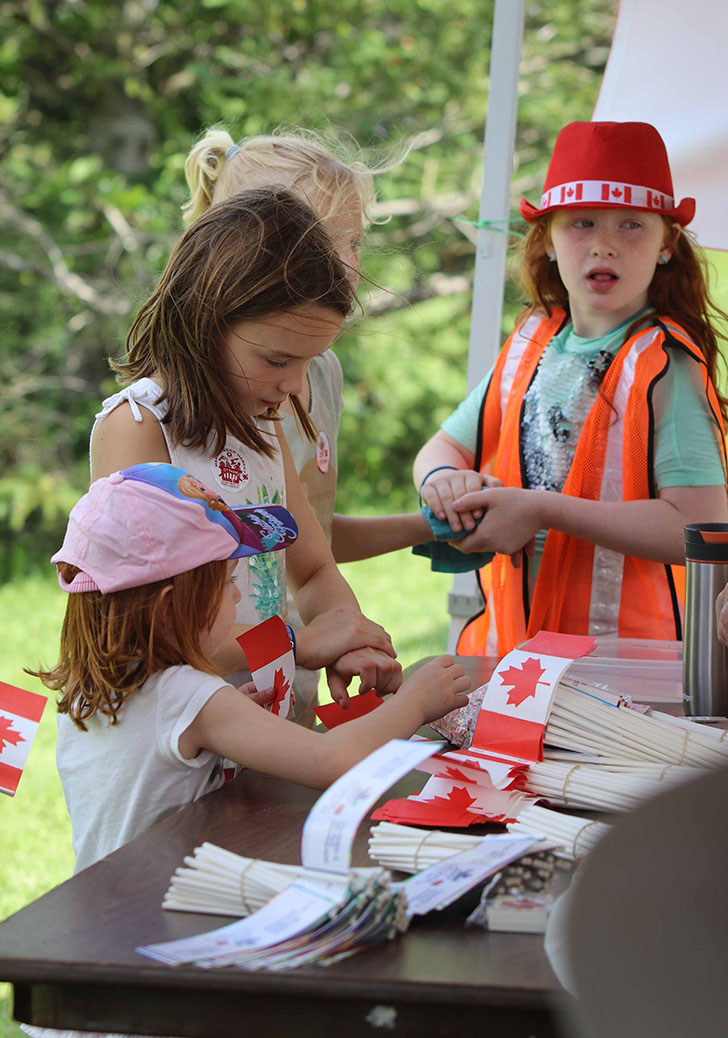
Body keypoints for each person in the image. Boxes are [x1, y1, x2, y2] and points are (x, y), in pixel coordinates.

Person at [29, 462, 471, 875]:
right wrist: (416, 701)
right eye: (226, 584)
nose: (238, 598)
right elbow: (332, 760)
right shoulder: (186, 695)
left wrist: (223, 722)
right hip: (160, 904)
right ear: (169, 611)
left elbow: (149, 764)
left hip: (103, 899)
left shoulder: (88, 691)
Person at [414, 121, 728, 657]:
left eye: (631, 225)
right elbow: (443, 447)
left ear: (666, 245)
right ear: (549, 240)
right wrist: (442, 480)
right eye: (582, 223)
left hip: (625, 679)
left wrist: (543, 510)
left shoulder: (664, 364)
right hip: (513, 660)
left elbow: (700, 528)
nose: (604, 245)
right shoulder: (531, 340)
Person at [90, 187, 408, 710]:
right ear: (204, 320)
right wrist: (299, 642)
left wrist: (347, 636)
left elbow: (312, 570)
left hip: (260, 729)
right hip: (172, 748)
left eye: (310, 361)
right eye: (278, 360)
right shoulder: (139, 427)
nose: (294, 385)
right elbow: (155, 629)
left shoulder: (264, 423)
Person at [181, 127, 431, 724]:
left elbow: (304, 540)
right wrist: (306, 643)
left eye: (356, 242)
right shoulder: (163, 414)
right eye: (325, 244)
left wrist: (346, 634)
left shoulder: (314, 375)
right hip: (207, 702)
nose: (349, 264)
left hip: (288, 674)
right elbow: (169, 628)